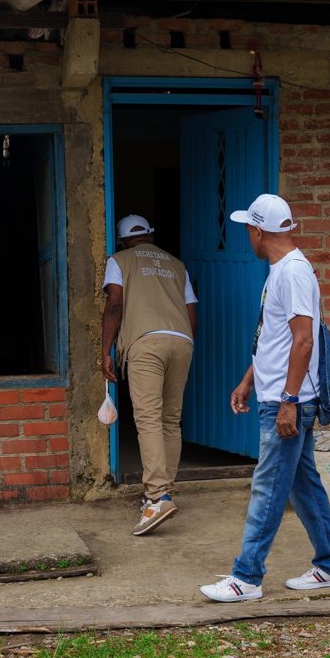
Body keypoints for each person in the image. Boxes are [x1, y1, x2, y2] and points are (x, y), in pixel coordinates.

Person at [200, 194, 330, 602]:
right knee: (304, 485)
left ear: (258, 230)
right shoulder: (280, 271)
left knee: (267, 487)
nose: (247, 236)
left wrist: (287, 400)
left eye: (247, 229)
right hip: (279, 396)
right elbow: (274, 337)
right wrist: (249, 379)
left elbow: (304, 341)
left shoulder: (293, 273)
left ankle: (246, 577)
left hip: (290, 403)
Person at [101, 214, 199, 534]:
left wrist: (106, 350)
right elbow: (191, 317)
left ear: (122, 240)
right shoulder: (177, 265)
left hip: (146, 343)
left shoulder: (118, 259)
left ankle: (157, 499)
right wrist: (182, 345)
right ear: (151, 236)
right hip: (182, 341)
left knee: (147, 418)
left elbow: (114, 304)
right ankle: (161, 493)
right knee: (171, 418)